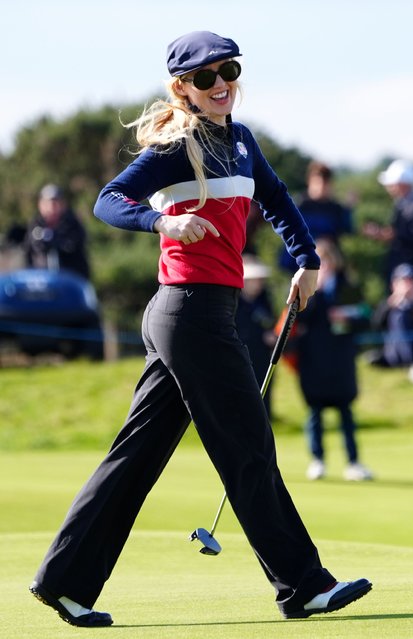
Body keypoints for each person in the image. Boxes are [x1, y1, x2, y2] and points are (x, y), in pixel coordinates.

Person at [29, 31, 371, 627]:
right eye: (206, 77)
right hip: (188, 314)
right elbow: (109, 200)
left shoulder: (240, 141)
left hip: (200, 315)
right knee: (248, 447)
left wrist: (307, 259)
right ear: (182, 88)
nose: (221, 85)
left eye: (228, 71)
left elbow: (277, 197)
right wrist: (162, 220)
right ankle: (303, 585)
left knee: (138, 453)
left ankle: (64, 581)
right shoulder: (175, 144)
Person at [292, 239, 373, 481]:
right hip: (313, 359)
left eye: (326, 261)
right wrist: (316, 290)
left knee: (346, 412)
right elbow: (299, 320)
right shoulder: (305, 288)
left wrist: (346, 318)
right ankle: (317, 461)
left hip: (341, 359)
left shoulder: (348, 286)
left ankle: (353, 463)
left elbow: (365, 319)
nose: (324, 266)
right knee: (314, 413)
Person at [363, 159, 413, 290]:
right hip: (403, 267)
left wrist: (390, 235)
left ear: (401, 183)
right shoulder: (405, 203)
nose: (389, 187)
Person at [367, 263, 413, 384]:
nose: (408, 286)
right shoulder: (388, 305)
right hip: (396, 353)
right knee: (399, 316)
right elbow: (375, 324)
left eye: (411, 281)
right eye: (403, 281)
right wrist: (391, 304)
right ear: (394, 285)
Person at [279, 160, 354, 273]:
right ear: (309, 182)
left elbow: (347, 230)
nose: (321, 188)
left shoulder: (336, 208)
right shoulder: (298, 205)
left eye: (325, 183)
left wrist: (348, 210)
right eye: (317, 183)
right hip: (299, 260)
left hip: (328, 264)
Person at [235, 254, 276, 417]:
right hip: (242, 358)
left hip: (263, 357)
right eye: (254, 280)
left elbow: (270, 322)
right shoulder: (234, 303)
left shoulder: (264, 300)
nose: (258, 284)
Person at [24, 184, 91, 280]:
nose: (51, 208)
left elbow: (75, 245)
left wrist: (57, 240)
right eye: (47, 203)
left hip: (70, 282)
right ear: (40, 205)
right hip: (41, 283)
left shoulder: (73, 225)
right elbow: (29, 251)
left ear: (63, 204)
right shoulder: (34, 226)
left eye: (55, 203)